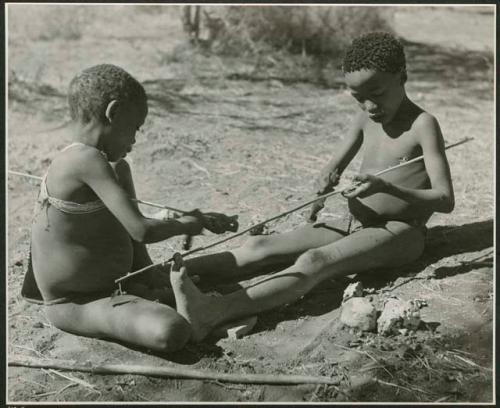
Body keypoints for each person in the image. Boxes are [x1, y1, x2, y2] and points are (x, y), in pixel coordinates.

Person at [170, 31, 455, 342]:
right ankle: (162, 280)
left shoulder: (423, 125)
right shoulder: (365, 119)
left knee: (315, 262)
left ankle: (212, 313)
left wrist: (387, 187)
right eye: (358, 97)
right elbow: (333, 168)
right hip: (354, 223)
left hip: (400, 231)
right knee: (260, 247)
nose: (369, 106)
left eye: (376, 93)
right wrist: (324, 182)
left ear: (402, 76)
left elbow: (444, 199)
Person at [21, 64, 238, 352]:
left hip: (121, 284)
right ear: (113, 113)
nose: (135, 140)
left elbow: (131, 234)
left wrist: (149, 275)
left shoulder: (111, 166)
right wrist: (189, 223)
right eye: (134, 128)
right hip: (76, 303)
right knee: (171, 329)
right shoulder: (84, 161)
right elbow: (140, 230)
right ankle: (213, 309)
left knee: (213, 273)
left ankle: (168, 294)